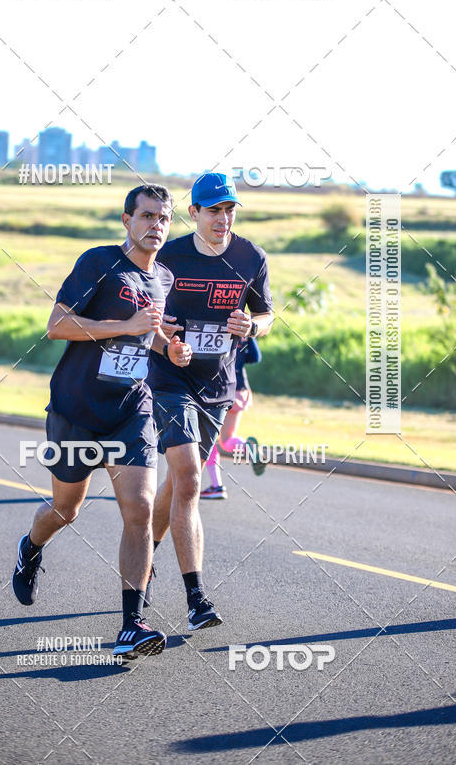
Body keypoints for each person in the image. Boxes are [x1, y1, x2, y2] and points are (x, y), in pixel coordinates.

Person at [11, 185, 193, 661]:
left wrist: (169, 348)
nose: (156, 225)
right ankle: (31, 547)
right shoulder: (99, 262)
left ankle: (132, 624)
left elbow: (148, 335)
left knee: (140, 508)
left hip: (131, 409)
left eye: (164, 218)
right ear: (127, 220)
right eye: (147, 216)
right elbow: (57, 325)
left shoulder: (164, 277)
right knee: (65, 510)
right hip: (77, 408)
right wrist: (126, 326)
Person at [147, 172, 274, 629]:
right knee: (189, 478)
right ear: (194, 212)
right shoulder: (169, 256)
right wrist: (165, 337)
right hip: (169, 377)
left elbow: (267, 314)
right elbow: (145, 314)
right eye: (214, 210)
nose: (223, 218)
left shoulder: (250, 257)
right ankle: (196, 598)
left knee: (178, 484)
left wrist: (253, 327)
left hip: (218, 386)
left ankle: (142, 562)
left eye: (230, 209)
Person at [201, 336, 261, 500]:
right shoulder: (243, 333)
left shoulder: (219, 333)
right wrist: (249, 337)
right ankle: (249, 448)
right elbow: (255, 358)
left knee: (207, 439)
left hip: (221, 390)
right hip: (241, 390)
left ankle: (216, 486)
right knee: (227, 441)